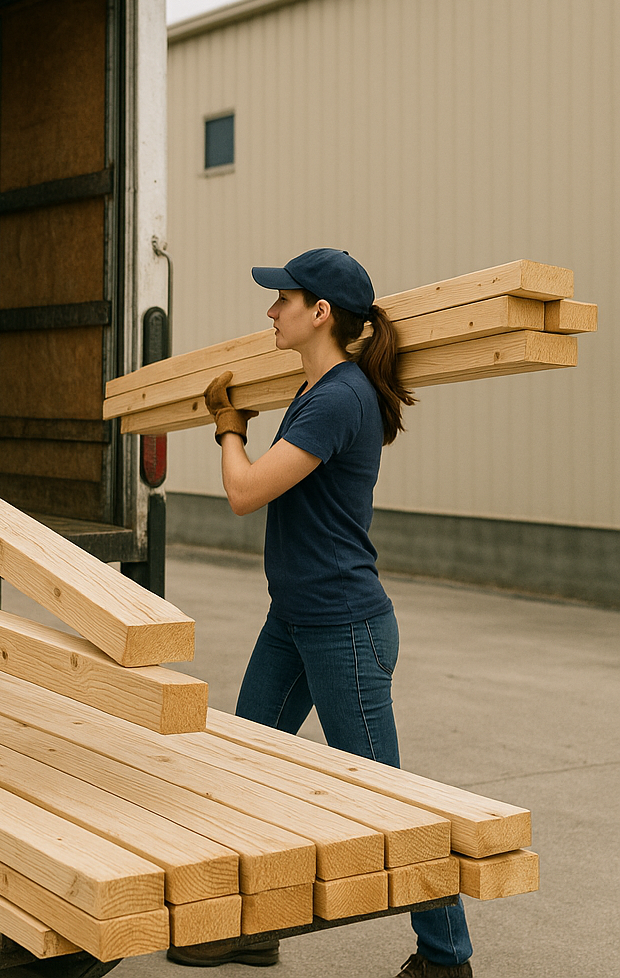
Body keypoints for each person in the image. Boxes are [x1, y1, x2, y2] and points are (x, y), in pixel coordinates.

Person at [169, 248, 472, 978]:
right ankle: (256, 929)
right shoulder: (317, 391)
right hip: (296, 619)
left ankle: (446, 957)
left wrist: (227, 426)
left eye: (283, 300)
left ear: (321, 314)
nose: (271, 311)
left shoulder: (338, 399)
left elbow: (245, 493)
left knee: (386, 796)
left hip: (344, 627)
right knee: (241, 767)